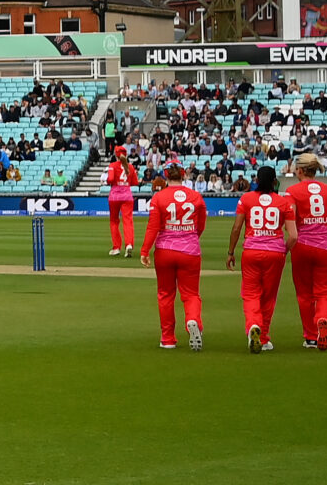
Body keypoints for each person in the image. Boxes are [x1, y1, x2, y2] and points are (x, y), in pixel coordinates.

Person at [223, 165, 296, 353]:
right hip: (275, 253)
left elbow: (237, 228)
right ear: (274, 181)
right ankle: (263, 337)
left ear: (256, 180)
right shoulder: (283, 202)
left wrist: (231, 252)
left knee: (250, 294)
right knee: (268, 297)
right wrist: (283, 250)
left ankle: (253, 326)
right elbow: (294, 236)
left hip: (251, 252)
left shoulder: (246, 199)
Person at [140, 163, 207, 351]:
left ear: (165, 176)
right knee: (191, 294)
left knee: (165, 295)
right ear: (184, 175)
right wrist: (191, 238)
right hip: (190, 251)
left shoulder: (159, 197)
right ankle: (193, 321)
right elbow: (200, 225)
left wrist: (145, 251)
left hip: (165, 251)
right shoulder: (196, 197)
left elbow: (153, 227)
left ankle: (168, 338)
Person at [284, 152, 327, 350]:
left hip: (302, 246)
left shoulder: (292, 191)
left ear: (299, 170)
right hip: (325, 247)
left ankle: (310, 336)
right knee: (325, 293)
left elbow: (289, 222)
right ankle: (323, 320)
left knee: (304, 294)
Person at [104, 147, 139, 257]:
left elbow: (110, 179)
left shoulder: (112, 166)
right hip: (127, 196)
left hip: (114, 196)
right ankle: (128, 244)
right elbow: (135, 182)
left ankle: (116, 247)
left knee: (114, 222)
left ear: (116, 155)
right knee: (128, 221)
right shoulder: (131, 167)